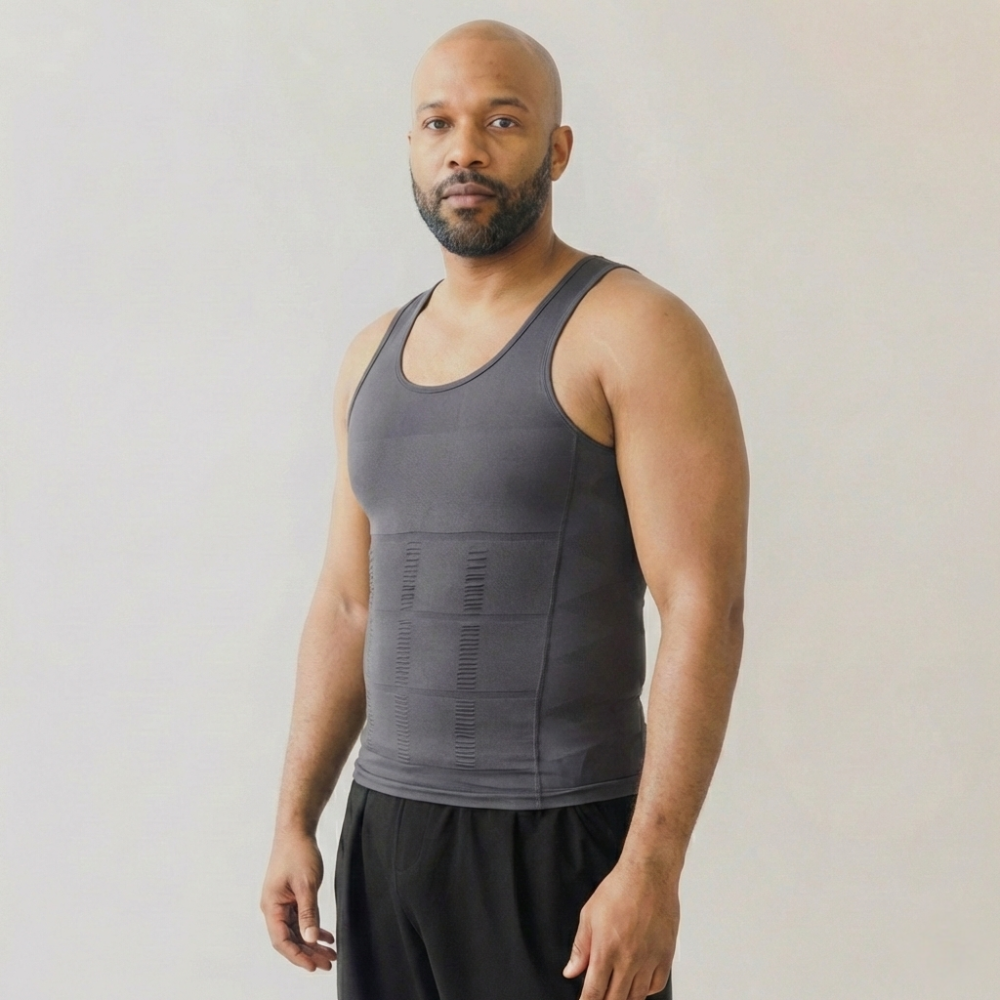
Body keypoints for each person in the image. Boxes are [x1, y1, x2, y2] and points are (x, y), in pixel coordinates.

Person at [260, 18, 748, 1000]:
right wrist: (293, 819)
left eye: (502, 121)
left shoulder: (634, 330)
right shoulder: (370, 355)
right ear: (412, 146)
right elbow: (348, 605)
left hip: (558, 840)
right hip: (385, 832)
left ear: (557, 149)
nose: (465, 151)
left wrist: (652, 866)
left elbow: (702, 605)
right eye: (438, 123)